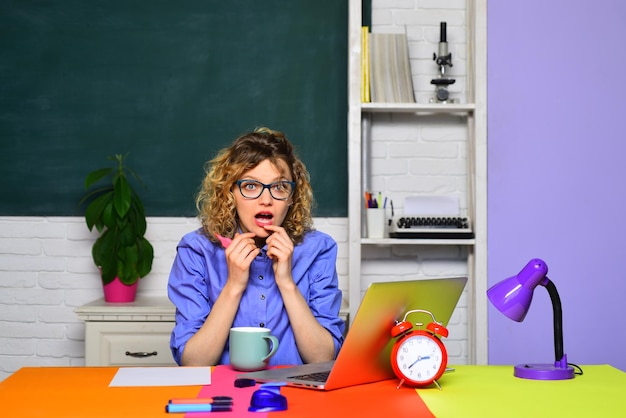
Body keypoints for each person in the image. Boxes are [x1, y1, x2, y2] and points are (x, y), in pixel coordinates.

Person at [168, 127, 345, 367]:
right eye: (250, 186)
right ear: (230, 192)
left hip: (297, 393)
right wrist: (233, 286)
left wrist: (287, 283)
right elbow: (193, 363)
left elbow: (322, 359)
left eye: (280, 186)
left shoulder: (319, 249)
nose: (266, 199)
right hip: (222, 394)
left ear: (293, 196)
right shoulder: (197, 250)